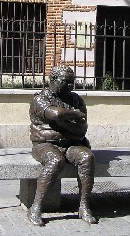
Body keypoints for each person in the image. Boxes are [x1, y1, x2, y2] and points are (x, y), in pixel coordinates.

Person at [27, 65, 97, 226]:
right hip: (44, 144)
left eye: (72, 82)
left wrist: (62, 124)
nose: (70, 86)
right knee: (55, 160)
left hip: (72, 144)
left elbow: (81, 130)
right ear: (52, 80)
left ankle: (84, 205)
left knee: (87, 157)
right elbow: (55, 113)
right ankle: (36, 207)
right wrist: (73, 116)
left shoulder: (76, 99)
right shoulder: (40, 98)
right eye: (65, 82)